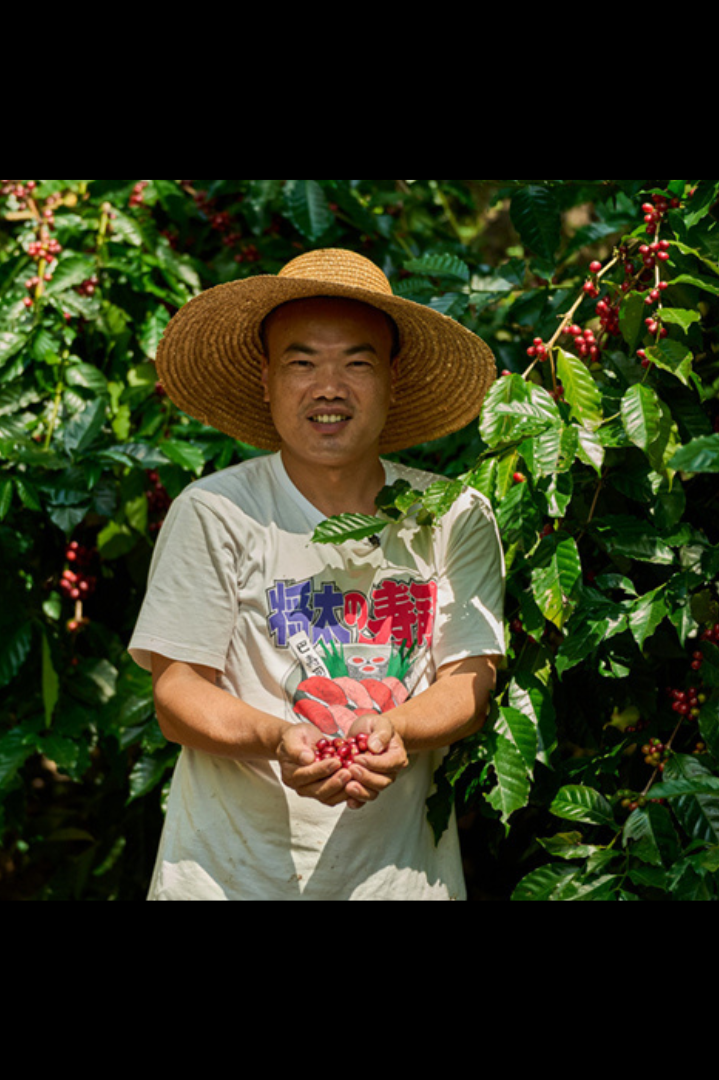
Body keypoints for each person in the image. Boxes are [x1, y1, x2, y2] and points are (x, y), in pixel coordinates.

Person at [128, 248, 506, 901]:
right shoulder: (216, 512)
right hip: (228, 881)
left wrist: (397, 729)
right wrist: (277, 738)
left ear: (393, 378)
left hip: (397, 883)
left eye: (357, 363)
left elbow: (470, 678)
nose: (328, 387)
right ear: (265, 380)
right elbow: (177, 692)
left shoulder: (452, 515)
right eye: (301, 363)